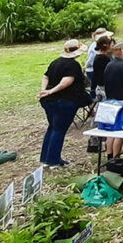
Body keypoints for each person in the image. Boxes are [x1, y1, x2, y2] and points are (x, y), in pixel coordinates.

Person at [37, 39, 90, 168]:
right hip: (65, 101)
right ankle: (53, 160)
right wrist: (50, 91)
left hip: (49, 101)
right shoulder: (73, 65)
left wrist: (45, 90)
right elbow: (66, 82)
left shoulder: (55, 62)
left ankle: (46, 157)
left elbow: (45, 76)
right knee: (59, 130)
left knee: (52, 127)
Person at [90, 34, 114, 101]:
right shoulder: (104, 58)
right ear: (105, 45)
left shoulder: (98, 57)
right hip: (105, 87)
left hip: (100, 86)